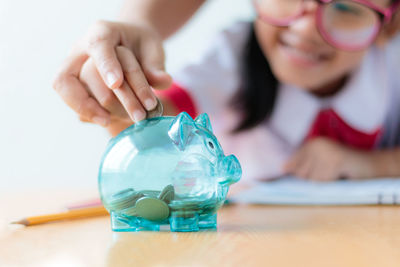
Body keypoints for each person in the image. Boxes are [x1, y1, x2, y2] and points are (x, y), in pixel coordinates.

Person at [53, 0, 400, 182]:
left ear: (390, 25)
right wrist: (116, 92)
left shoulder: (390, 66)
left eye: (346, 7)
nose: (306, 28)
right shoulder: (231, 56)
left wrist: (368, 164)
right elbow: (160, 112)